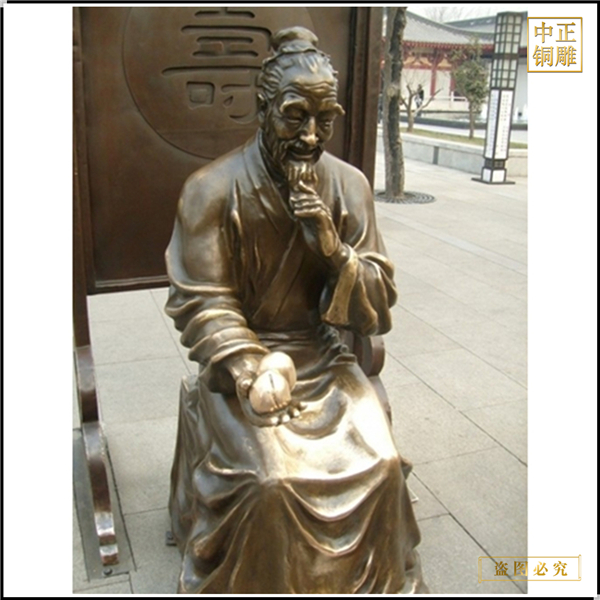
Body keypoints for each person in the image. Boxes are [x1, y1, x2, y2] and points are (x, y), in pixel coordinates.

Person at [164, 26, 426, 594]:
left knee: (381, 464)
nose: (310, 136)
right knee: (272, 481)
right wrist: (250, 368)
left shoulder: (349, 186)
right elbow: (203, 298)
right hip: (246, 364)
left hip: (323, 356)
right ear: (263, 110)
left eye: (324, 120)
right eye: (294, 117)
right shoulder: (211, 190)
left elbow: (377, 303)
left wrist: (333, 250)